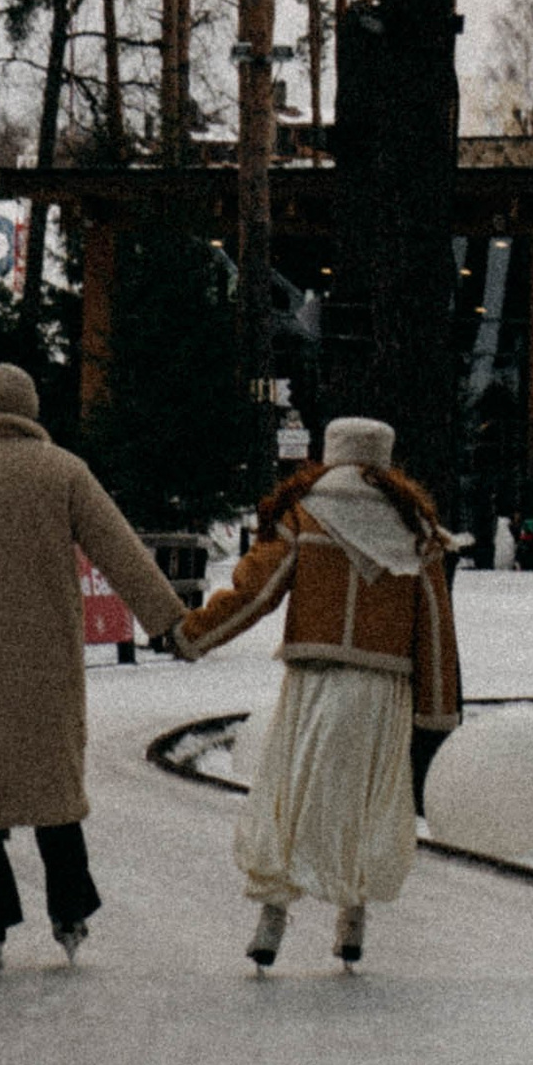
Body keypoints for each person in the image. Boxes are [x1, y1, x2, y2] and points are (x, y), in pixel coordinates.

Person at [0, 360, 187, 968]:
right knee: (54, 789)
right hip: (49, 662)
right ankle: (70, 910)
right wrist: (168, 620)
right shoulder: (65, 472)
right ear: (31, 413)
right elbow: (121, 550)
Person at [175, 413, 462, 972]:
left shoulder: (304, 516)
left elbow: (256, 593)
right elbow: (434, 628)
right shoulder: (416, 530)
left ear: (329, 454)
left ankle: (272, 919)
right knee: (366, 802)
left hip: (314, 681)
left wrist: (195, 634)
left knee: (293, 795)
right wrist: (437, 711)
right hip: (383, 690)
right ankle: (353, 919)